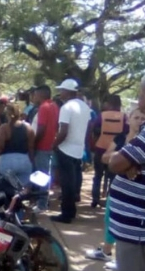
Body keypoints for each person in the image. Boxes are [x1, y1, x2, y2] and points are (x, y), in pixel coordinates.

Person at [92, 78, 145, 271]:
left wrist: (124, 157)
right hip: (131, 228)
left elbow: (113, 163)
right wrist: (126, 159)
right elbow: (120, 161)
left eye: (141, 95)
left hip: (137, 230)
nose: (138, 101)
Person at [85, 108, 145, 267]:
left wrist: (130, 161)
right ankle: (107, 251)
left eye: (142, 118)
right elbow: (105, 157)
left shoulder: (142, 140)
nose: (139, 120)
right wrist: (128, 161)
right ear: (128, 120)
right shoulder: (120, 139)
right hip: (118, 188)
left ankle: (115, 256)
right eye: (136, 117)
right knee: (110, 218)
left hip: (136, 198)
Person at [50, 78, 91, 224]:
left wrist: (54, 144)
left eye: (62, 90)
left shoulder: (66, 108)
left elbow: (63, 131)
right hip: (78, 148)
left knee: (66, 183)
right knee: (72, 182)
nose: (60, 93)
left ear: (68, 91)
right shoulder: (85, 107)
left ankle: (66, 214)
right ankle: (71, 211)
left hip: (66, 148)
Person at [91, 95, 128, 208]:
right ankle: (109, 200)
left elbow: (94, 129)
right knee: (112, 176)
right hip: (115, 152)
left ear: (109, 103)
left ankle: (95, 199)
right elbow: (126, 132)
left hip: (101, 148)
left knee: (98, 175)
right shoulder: (124, 117)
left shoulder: (102, 115)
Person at [0, 103, 35, 186]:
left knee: (6, 188)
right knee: (23, 190)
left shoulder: (4, 127)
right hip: (24, 160)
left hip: (6, 161)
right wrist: (32, 162)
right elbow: (31, 147)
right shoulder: (28, 127)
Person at [31, 85, 59, 212]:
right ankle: (42, 201)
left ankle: (42, 204)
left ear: (41, 95)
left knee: (41, 175)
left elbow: (41, 129)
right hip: (51, 145)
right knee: (47, 174)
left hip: (42, 146)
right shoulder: (54, 106)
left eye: (36, 95)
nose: (34, 97)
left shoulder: (43, 107)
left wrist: (34, 143)